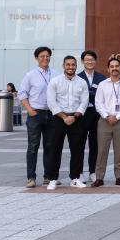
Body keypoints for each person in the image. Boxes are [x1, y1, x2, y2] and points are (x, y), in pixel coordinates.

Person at [45, 55, 89, 189]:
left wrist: (74, 117)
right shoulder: (55, 81)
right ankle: (52, 178)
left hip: (76, 119)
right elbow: (51, 103)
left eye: (73, 65)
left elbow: (84, 102)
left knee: (78, 150)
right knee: (55, 149)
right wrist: (64, 117)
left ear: (76, 66)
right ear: (63, 66)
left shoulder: (82, 82)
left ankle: (75, 178)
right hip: (59, 119)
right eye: (68, 64)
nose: (71, 67)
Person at [18, 46, 58, 188]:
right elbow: (22, 94)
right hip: (35, 114)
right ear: (36, 58)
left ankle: (48, 176)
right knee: (33, 146)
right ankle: (31, 177)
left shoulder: (56, 74)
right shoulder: (30, 75)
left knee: (50, 146)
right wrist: (29, 110)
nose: (45, 59)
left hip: (51, 114)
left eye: (47, 56)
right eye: (42, 56)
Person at [93, 57, 120, 187]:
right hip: (104, 121)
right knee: (102, 150)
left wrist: (117, 117)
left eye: (117, 66)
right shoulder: (102, 84)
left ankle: (119, 177)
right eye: (112, 66)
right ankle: (99, 177)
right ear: (108, 69)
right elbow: (98, 103)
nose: (114, 68)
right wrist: (107, 116)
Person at [78, 50, 106, 182]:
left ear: (95, 61)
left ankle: (92, 171)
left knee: (95, 144)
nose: (89, 62)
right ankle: (79, 172)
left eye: (92, 60)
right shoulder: (77, 78)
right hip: (81, 115)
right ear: (83, 61)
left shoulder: (102, 78)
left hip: (96, 114)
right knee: (79, 144)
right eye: (87, 60)